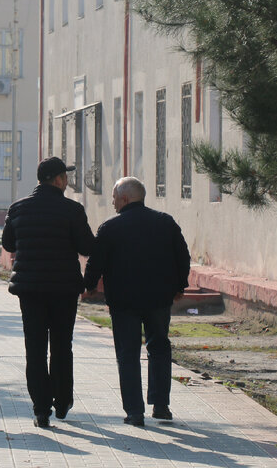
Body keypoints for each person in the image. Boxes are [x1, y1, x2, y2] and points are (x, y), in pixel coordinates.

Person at [83, 176, 191, 426]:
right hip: (158, 300)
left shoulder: (110, 228)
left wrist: (87, 286)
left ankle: (134, 412)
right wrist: (179, 286)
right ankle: (161, 406)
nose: (112, 203)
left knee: (128, 354)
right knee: (159, 348)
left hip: (124, 303)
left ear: (124, 198)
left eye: (113, 198)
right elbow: (182, 256)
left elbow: (96, 262)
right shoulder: (165, 223)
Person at [1, 156, 95, 428]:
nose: (67, 180)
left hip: (30, 290)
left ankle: (41, 408)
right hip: (64, 290)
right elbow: (87, 246)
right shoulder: (72, 210)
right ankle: (63, 401)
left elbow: (8, 243)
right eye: (65, 176)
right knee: (62, 346)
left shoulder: (18, 209)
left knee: (35, 347)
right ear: (58, 180)